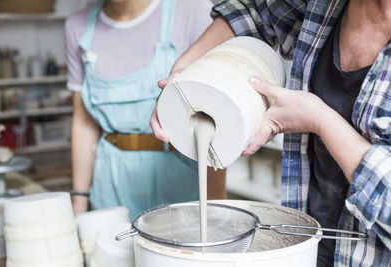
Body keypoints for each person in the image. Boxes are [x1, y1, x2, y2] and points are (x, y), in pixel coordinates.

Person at [150, 0, 391, 266]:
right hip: (308, 244)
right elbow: (253, 13)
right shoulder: (323, 5)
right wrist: (185, 74)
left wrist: (321, 120)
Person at [65, 0, 226, 220]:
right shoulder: (78, 27)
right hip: (109, 187)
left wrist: (216, 205)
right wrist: (79, 202)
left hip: (180, 184)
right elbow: (84, 123)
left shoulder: (193, 9)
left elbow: (214, 116)